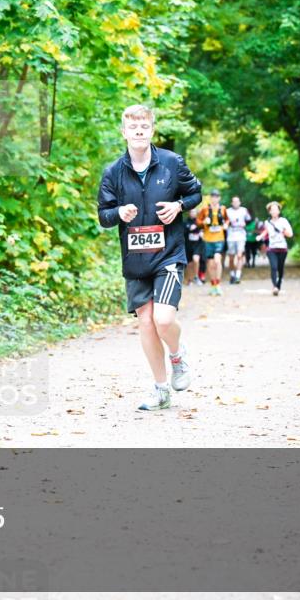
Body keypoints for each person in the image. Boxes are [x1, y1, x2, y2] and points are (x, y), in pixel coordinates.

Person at [97, 104, 203, 411]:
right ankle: (160, 389)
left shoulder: (171, 162)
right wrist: (118, 212)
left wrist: (179, 206)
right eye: (133, 127)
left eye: (144, 126)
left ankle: (178, 356)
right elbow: (104, 215)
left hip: (168, 253)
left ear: (151, 129)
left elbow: (195, 192)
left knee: (163, 319)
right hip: (136, 259)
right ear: (124, 132)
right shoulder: (113, 172)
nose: (139, 131)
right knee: (146, 324)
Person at [256, 201, 294, 296]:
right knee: (274, 267)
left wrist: (284, 231)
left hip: (282, 248)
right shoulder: (267, 222)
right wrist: (260, 236)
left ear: (279, 211)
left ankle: (279, 284)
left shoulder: (283, 221)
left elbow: (290, 234)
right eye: (272, 210)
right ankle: (275, 287)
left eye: (276, 209)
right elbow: (266, 231)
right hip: (272, 249)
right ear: (269, 212)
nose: (274, 211)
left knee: (280, 268)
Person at [195, 189, 228, 296]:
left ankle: (218, 283)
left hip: (219, 238)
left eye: (216, 196)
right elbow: (198, 222)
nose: (214, 198)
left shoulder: (223, 209)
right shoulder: (204, 209)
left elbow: (227, 220)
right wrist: (203, 222)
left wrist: (226, 225)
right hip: (208, 239)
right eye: (213, 196)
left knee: (218, 261)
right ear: (210, 198)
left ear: (219, 198)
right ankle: (213, 284)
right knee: (210, 263)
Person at [224, 196, 251, 284]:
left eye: (237, 201)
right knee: (231, 258)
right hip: (231, 236)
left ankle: (238, 275)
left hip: (241, 236)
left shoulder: (244, 210)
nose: (236, 203)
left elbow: (249, 220)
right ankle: (232, 274)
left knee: (239, 255)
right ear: (231, 203)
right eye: (234, 202)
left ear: (240, 202)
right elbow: (224, 221)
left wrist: (245, 224)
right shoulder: (227, 211)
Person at [184, 208, 205, 285]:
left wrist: (202, 233)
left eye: (194, 212)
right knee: (189, 264)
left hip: (198, 244)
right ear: (189, 213)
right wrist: (189, 229)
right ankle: (190, 279)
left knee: (196, 259)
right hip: (188, 245)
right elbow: (183, 232)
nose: (193, 213)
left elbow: (204, 229)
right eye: (191, 212)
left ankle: (196, 277)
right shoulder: (185, 222)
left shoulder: (199, 221)